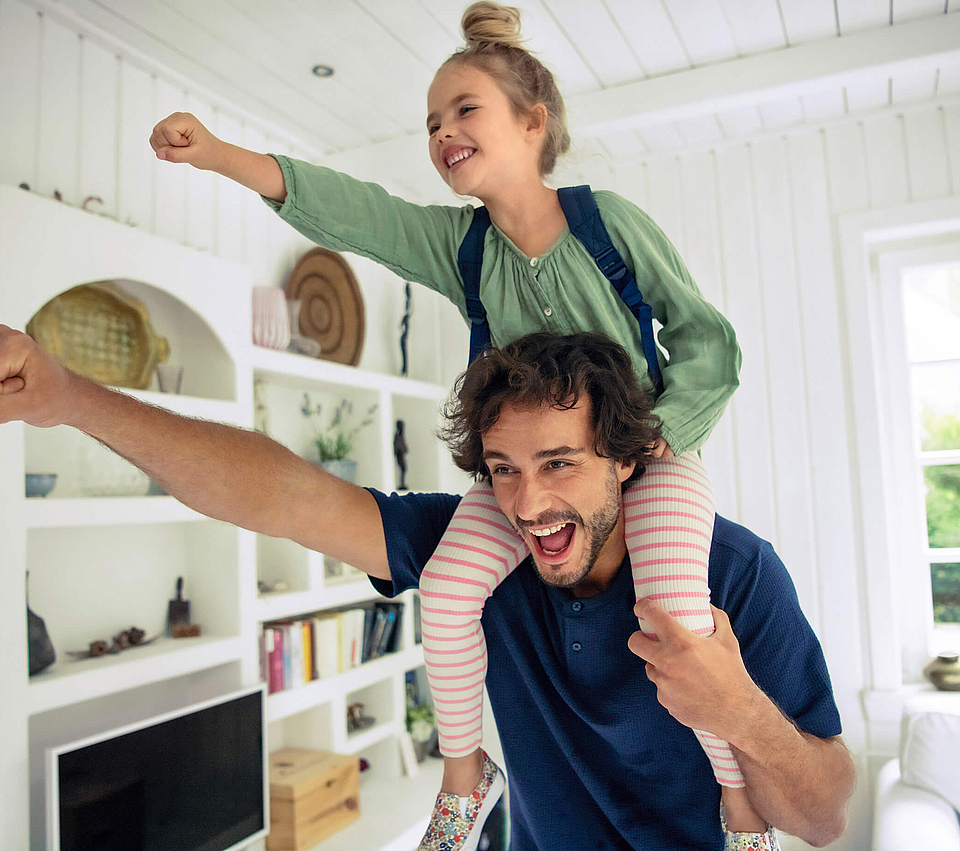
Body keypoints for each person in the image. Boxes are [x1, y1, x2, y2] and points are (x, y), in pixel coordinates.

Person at [147, 2, 748, 844]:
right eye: (432, 121)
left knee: (679, 610)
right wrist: (217, 155)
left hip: (650, 459)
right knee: (454, 589)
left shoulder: (608, 225)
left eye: (464, 110)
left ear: (533, 123)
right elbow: (357, 212)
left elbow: (707, 342)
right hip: (524, 475)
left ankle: (739, 796)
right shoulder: (458, 249)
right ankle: (467, 776)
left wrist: (663, 433)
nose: (442, 132)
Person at [0, 326, 855, 851]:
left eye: (559, 463)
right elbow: (284, 496)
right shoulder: (480, 555)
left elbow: (821, 817)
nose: (528, 501)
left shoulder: (734, 574)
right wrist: (70, 398)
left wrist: (738, 707)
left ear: (627, 460)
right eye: (504, 470)